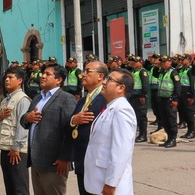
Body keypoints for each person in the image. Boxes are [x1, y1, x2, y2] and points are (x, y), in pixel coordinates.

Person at [20, 63, 76, 195]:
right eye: (42, 73)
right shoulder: (38, 98)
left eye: (48, 74)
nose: (42, 76)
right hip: (36, 161)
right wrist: (28, 117)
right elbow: (24, 119)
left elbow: (70, 131)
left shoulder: (66, 99)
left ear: (59, 80)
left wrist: (65, 158)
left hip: (54, 164)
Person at [84, 68, 137, 195]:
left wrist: (111, 183)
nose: (104, 82)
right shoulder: (110, 107)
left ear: (121, 88)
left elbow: (121, 150)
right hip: (98, 182)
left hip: (111, 186)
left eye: (109, 80)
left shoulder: (122, 110)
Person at [69, 60, 108, 195]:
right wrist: (74, 120)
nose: (83, 75)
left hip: (96, 162)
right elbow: (70, 121)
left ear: (100, 76)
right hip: (82, 160)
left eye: (88, 71)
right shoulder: (83, 100)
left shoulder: (105, 98)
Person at [0, 66, 30, 195]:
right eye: (6, 78)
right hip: (5, 148)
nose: (7, 80)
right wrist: (0, 116)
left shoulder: (22, 99)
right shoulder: (5, 100)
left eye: (10, 77)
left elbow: (23, 126)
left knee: (19, 187)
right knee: (10, 187)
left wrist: (16, 147)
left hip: (17, 151)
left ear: (20, 81)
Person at [157, 55, 181, 148]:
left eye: (164, 62)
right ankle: (169, 138)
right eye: (161, 62)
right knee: (165, 119)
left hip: (170, 99)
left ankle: (173, 139)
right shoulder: (162, 72)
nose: (162, 64)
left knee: (171, 119)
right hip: (162, 99)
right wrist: (157, 65)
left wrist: (175, 99)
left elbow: (177, 87)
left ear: (169, 62)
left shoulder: (173, 72)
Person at [129, 57, 150, 142]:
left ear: (140, 63)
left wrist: (143, 95)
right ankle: (139, 134)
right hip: (134, 96)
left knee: (142, 116)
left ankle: (143, 135)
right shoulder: (134, 71)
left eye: (136, 62)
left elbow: (145, 84)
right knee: (136, 116)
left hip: (140, 96)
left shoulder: (142, 72)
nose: (133, 63)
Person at [177, 54, 195, 139]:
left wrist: (192, 96)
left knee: (189, 113)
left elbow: (192, 83)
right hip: (181, 92)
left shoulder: (191, 70)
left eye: (183, 59)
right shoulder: (180, 69)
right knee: (184, 112)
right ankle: (188, 131)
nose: (181, 61)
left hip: (188, 93)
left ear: (188, 60)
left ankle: (192, 131)